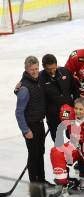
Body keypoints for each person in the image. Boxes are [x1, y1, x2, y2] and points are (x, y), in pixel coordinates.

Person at [50, 97, 84, 196]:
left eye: (80, 109)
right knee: (56, 151)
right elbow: (64, 109)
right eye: (76, 108)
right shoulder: (69, 114)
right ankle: (61, 185)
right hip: (74, 145)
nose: (77, 111)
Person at [14, 56, 49, 185]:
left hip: (40, 123)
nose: (34, 71)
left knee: (40, 153)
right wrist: (25, 130)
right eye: (31, 69)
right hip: (30, 126)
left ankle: (41, 180)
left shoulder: (39, 79)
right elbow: (18, 113)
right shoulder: (24, 88)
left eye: (36, 68)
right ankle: (35, 184)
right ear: (26, 69)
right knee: (34, 155)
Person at [39, 54, 80, 141]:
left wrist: (77, 104)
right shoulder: (40, 78)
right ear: (43, 67)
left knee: (74, 138)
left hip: (69, 113)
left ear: (56, 64)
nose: (52, 71)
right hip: (53, 116)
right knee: (58, 141)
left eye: (54, 68)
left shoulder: (64, 71)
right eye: (48, 69)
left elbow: (75, 89)